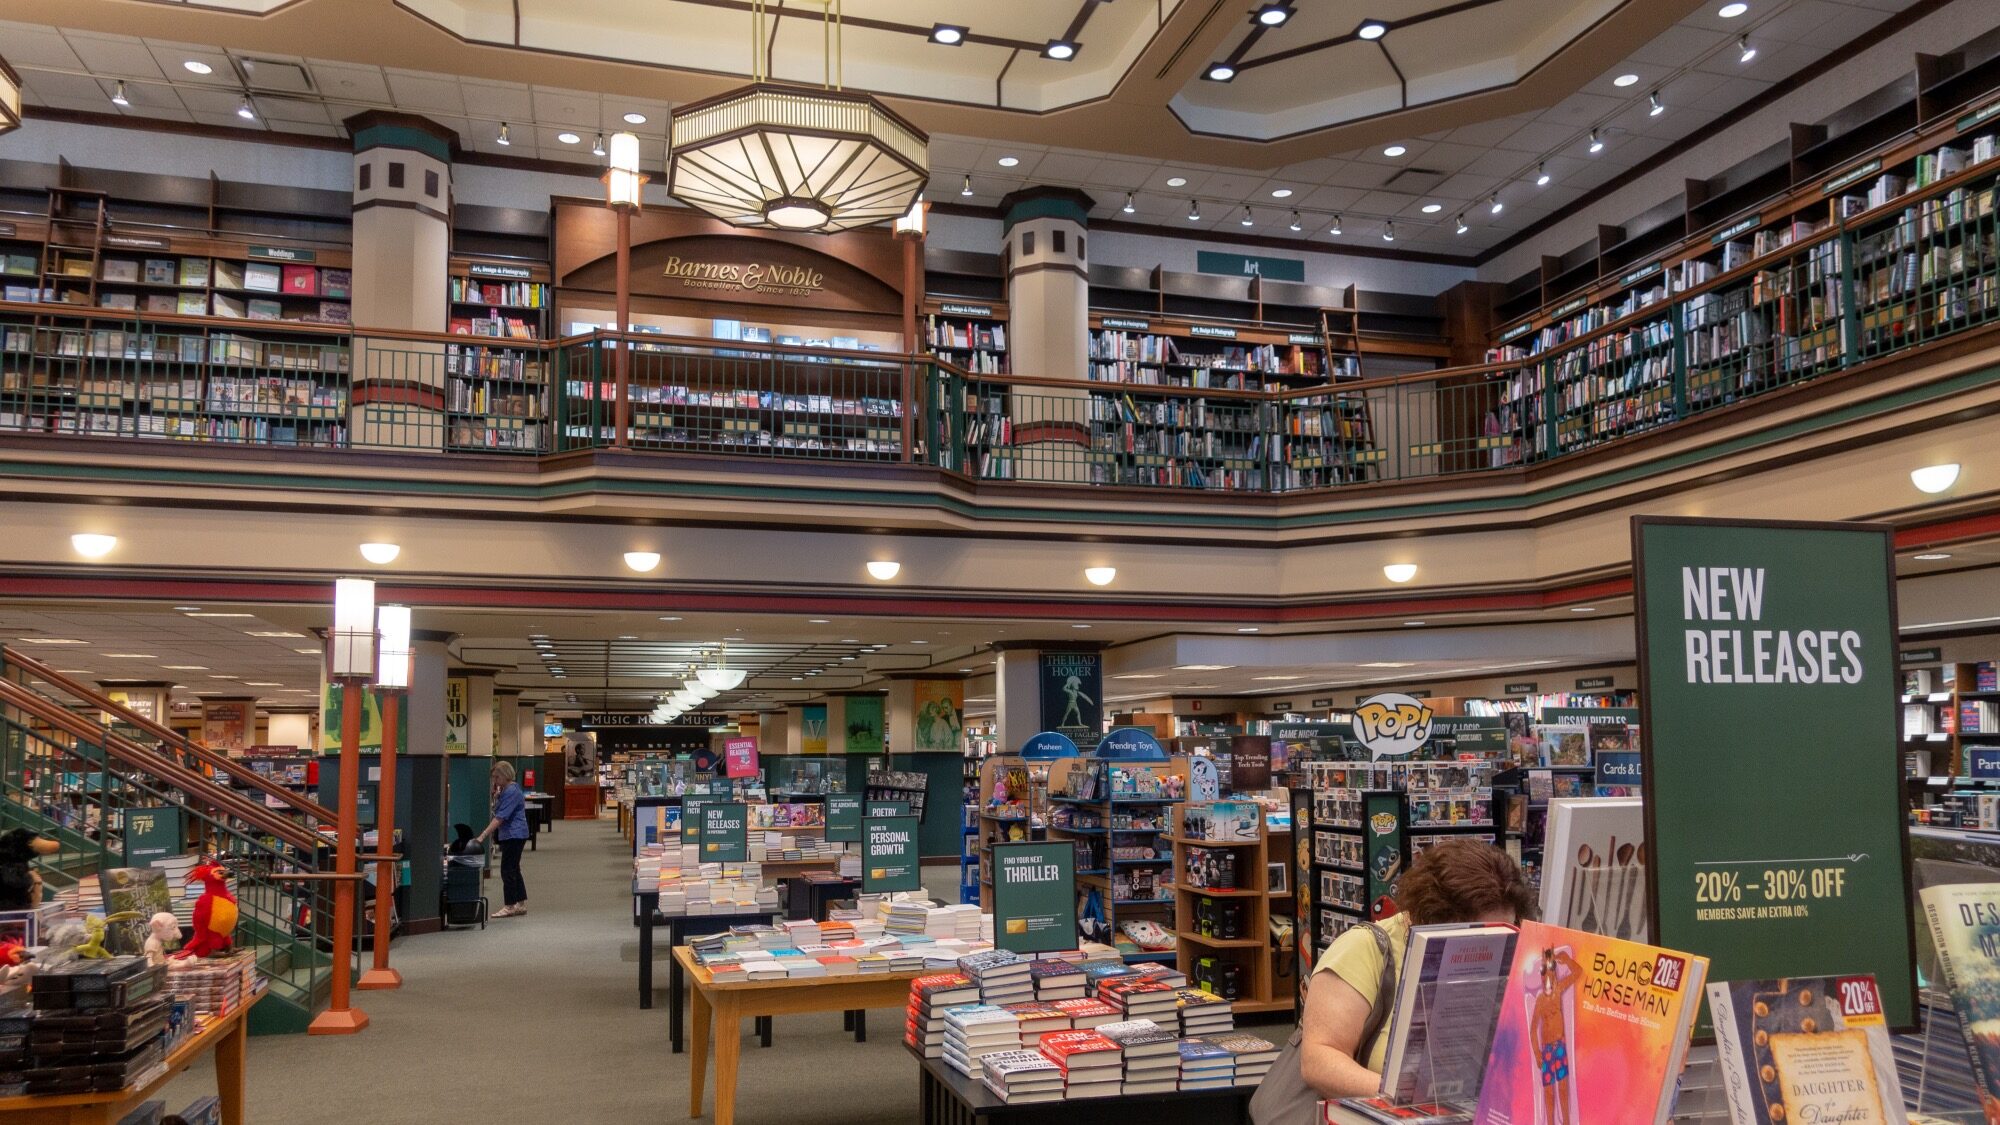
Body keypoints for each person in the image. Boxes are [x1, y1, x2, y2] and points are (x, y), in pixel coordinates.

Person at [1299, 839, 1537, 1098]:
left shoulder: (1515, 956)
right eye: (1479, 934)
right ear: (1436, 917)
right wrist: (1402, 1096)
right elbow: (1318, 1060)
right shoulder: (1367, 948)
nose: (1493, 947)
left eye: (1507, 931)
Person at [476, 761, 531, 917]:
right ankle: (520, 903)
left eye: (496, 777)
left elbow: (500, 817)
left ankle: (509, 905)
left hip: (514, 835)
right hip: (513, 834)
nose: (495, 780)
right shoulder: (508, 790)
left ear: (505, 775)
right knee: (514, 868)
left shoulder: (511, 791)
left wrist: (483, 835)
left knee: (507, 870)